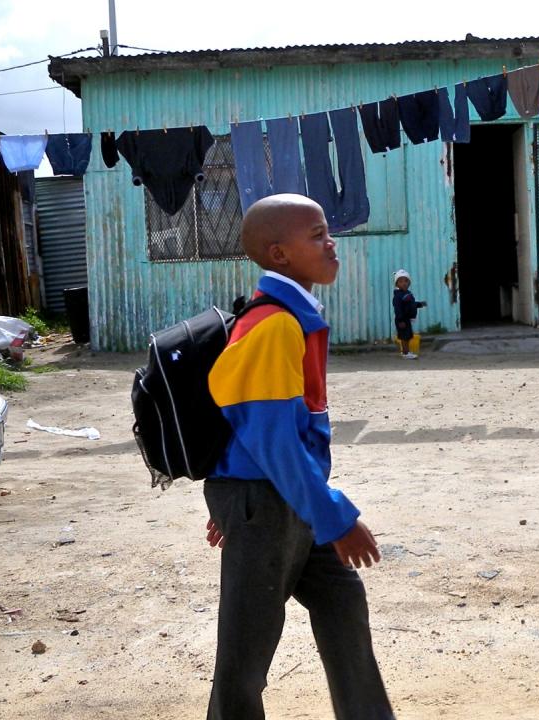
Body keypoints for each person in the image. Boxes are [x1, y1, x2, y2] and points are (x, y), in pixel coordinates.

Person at [202, 194, 393, 720]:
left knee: (342, 602)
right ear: (279, 254)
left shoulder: (292, 317)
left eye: (327, 232)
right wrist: (334, 517)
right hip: (267, 501)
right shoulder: (274, 325)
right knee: (245, 655)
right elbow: (275, 443)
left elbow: (273, 436)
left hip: (280, 499)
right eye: (316, 235)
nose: (331, 243)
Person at [392, 269, 419, 359]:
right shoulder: (398, 296)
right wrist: (400, 320)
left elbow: (411, 304)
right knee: (404, 337)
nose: (404, 283)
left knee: (407, 336)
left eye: (406, 281)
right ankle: (405, 353)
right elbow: (398, 308)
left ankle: (406, 352)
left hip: (406, 319)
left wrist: (419, 304)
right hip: (402, 320)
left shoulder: (408, 294)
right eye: (401, 281)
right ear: (397, 284)